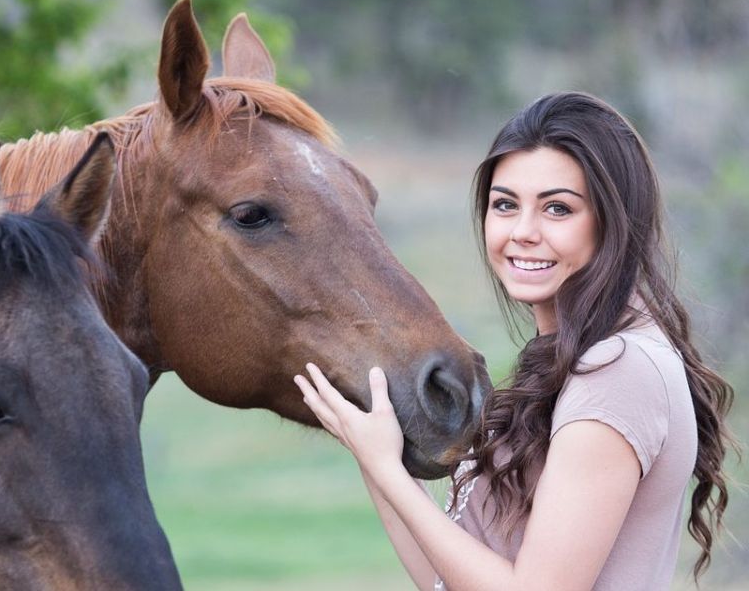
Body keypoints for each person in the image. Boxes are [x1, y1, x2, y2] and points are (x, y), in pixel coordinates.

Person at [294, 92, 734, 590]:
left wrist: (385, 469)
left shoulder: (620, 368)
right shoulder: (574, 358)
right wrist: (377, 458)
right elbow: (448, 580)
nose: (522, 232)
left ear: (612, 221)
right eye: (505, 205)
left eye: (557, 209)